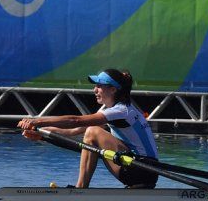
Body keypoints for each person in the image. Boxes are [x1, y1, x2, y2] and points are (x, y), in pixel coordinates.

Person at [17, 69, 159, 189]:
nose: (94, 90)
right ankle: (81, 189)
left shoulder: (121, 111)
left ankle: (80, 188)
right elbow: (71, 132)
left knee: (92, 131)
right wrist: (41, 134)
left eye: (99, 86)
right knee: (91, 132)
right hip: (145, 170)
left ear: (113, 89)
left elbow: (74, 121)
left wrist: (36, 121)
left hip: (141, 169)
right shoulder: (121, 112)